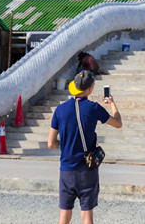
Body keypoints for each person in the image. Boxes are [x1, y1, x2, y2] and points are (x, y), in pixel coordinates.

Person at [48, 70, 122, 224]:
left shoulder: (60, 110)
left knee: (64, 213)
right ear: (90, 89)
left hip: (67, 169)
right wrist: (113, 104)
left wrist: (66, 144)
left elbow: (51, 143)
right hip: (87, 169)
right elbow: (118, 123)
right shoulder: (93, 108)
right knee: (87, 212)